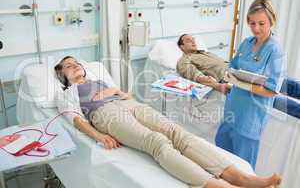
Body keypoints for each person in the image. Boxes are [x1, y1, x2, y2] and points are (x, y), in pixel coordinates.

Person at [54, 56, 282, 188]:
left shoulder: (100, 81)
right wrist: (98, 135)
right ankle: (219, 186)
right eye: (68, 66)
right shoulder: (66, 93)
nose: (74, 65)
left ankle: (240, 177)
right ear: (63, 76)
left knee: (176, 132)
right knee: (157, 142)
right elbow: (73, 118)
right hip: (105, 114)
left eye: (76, 63)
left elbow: (127, 95)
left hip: (129, 104)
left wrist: (115, 91)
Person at [215, 0, 286, 169]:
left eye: (261, 23)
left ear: (272, 21)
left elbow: (272, 90)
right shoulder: (246, 43)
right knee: (220, 163)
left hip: (250, 119)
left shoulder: (275, 51)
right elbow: (231, 68)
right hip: (232, 111)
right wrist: (230, 78)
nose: (256, 28)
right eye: (252, 23)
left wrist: (243, 84)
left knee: (242, 171)